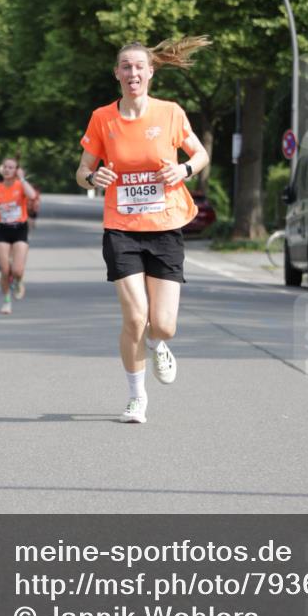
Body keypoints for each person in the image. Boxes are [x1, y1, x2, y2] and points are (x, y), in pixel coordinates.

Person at [76, 36, 211, 424]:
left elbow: (200, 154)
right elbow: (82, 171)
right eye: (126, 66)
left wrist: (183, 169)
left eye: (139, 66)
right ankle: (136, 398)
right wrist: (93, 178)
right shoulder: (103, 118)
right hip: (121, 228)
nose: (132, 73)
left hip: (165, 227)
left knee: (163, 325)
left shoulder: (170, 113)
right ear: (116, 74)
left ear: (150, 72)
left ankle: (158, 344)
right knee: (135, 318)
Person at [0, 158, 38, 314]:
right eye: (5, 167)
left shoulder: (20, 186)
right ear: (2, 170)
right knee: (5, 270)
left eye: (11, 167)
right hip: (2, 230)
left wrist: (22, 179)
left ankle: (19, 281)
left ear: (16, 170)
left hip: (20, 229)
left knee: (17, 270)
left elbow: (32, 195)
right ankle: (7, 301)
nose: (7, 170)